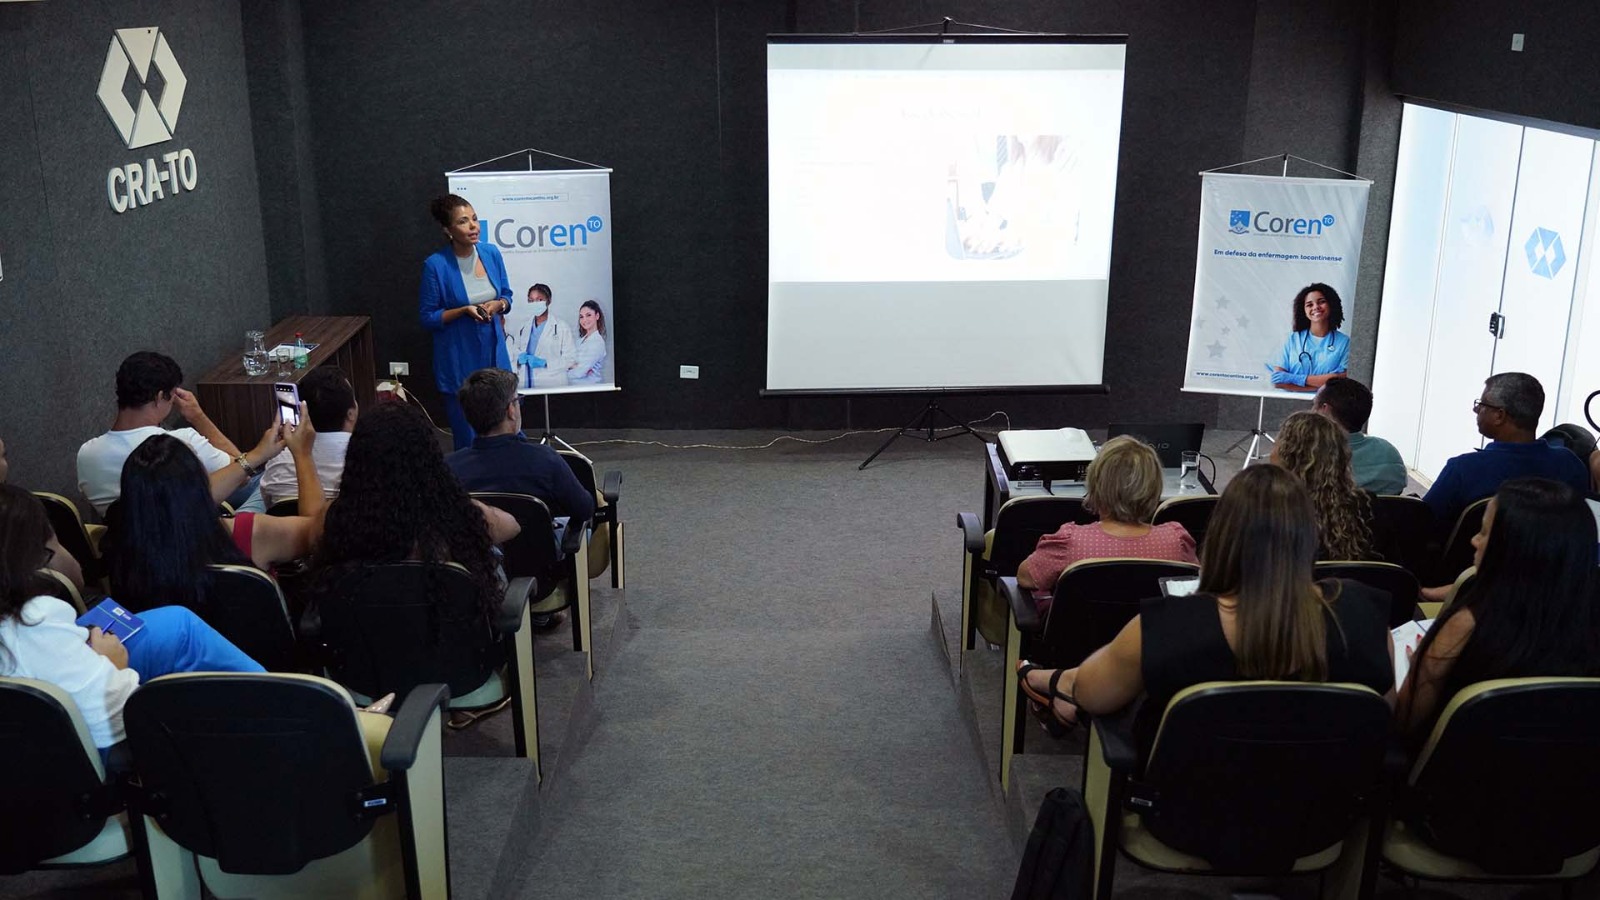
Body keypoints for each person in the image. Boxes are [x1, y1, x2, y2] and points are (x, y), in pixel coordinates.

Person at [1017, 465, 1393, 752]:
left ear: (1222, 534)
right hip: (1326, 826)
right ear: (1311, 534)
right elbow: (1383, 717)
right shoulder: (1365, 613)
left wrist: (1051, 679)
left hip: (1181, 818)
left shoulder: (1168, 624)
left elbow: (1091, 694)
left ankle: (1041, 676)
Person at [0, 484, 263, 751]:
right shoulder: (36, 618)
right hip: (89, 748)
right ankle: (279, 709)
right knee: (180, 630)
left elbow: (74, 582)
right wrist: (113, 666)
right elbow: (116, 724)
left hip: (40, 687)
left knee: (178, 625)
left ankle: (270, 696)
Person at [1397, 477, 1600, 746]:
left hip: (1460, 778)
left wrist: (1421, 667)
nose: (1473, 541)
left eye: (1483, 532)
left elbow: (1404, 723)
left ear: (1512, 549)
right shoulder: (1587, 622)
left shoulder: (1466, 625)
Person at [312, 403, 519, 623]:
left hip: (364, 652)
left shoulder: (335, 519)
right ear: (430, 457)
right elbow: (513, 526)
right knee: (491, 555)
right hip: (451, 651)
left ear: (357, 458)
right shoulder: (460, 514)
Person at [101, 413, 325, 612]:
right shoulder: (249, 532)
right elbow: (319, 531)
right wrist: (303, 454)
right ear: (200, 485)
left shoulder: (119, 542)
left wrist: (258, 455)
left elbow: (173, 501)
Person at [78, 351, 277, 514]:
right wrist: (198, 417)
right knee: (269, 481)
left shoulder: (86, 454)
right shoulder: (179, 443)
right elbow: (243, 473)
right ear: (159, 397)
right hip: (189, 541)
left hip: (128, 550)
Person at [448, 368, 595, 588]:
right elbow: (584, 509)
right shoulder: (545, 459)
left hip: (476, 577)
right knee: (585, 530)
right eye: (518, 400)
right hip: (541, 577)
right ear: (511, 411)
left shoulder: (448, 468)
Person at [1017, 436, 1196, 613]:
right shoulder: (1176, 542)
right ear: (1154, 487)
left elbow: (1026, 577)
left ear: (1096, 485)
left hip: (1081, 640)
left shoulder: (1070, 542)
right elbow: (1199, 590)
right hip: (1153, 640)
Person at [1422, 373, 1592, 528]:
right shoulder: (1570, 465)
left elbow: (1420, 524)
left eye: (1481, 405)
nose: (1476, 410)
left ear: (1499, 416)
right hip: (1550, 561)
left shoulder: (1462, 469)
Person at [419, 193, 514, 450]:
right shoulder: (436, 265)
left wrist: (499, 305)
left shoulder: (491, 253)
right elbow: (428, 317)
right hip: (459, 357)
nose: (473, 226)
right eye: (463, 222)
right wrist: (463, 310)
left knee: (507, 425)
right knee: (469, 437)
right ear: (448, 230)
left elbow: (507, 295)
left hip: (494, 350)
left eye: (474, 218)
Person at [1271, 410, 1374, 560]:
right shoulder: (1366, 505)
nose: (1271, 452)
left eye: (1276, 444)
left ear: (1288, 456)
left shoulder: (1266, 509)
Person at [260, 366, 358, 506]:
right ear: (351, 414)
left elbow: (268, 502)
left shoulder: (278, 458)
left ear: (302, 413)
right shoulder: (365, 458)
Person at [1311, 377, 1408, 494]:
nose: (1311, 410)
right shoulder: (1389, 454)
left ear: (1324, 409)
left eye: (1314, 403)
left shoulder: (1304, 455)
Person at [1268, 283, 1350, 393]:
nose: (1316, 307)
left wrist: (1296, 378)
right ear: (1304, 311)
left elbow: (1342, 380)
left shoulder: (1344, 343)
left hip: (1327, 405)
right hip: (1290, 402)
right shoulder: (1291, 339)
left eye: (1321, 302)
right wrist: (1323, 385)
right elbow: (1278, 382)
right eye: (1309, 304)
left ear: (1331, 304)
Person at [507, 283, 577, 390]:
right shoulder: (523, 327)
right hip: (526, 384)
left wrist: (544, 363)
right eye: (531, 300)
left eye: (539, 300)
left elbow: (570, 360)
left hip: (553, 384)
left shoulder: (561, 327)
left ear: (549, 300)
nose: (535, 304)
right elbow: (515, 353)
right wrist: (517, 360)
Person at [569, 299, 609, 385]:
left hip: (591, 390)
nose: (584, 320)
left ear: (597, 316)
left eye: (588, 315)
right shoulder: (579, 341)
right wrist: (573, 365)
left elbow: (579, 373)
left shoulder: (598, 342)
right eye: (581, 317)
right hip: (576, 389)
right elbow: (568, 361)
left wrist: (572, 367)